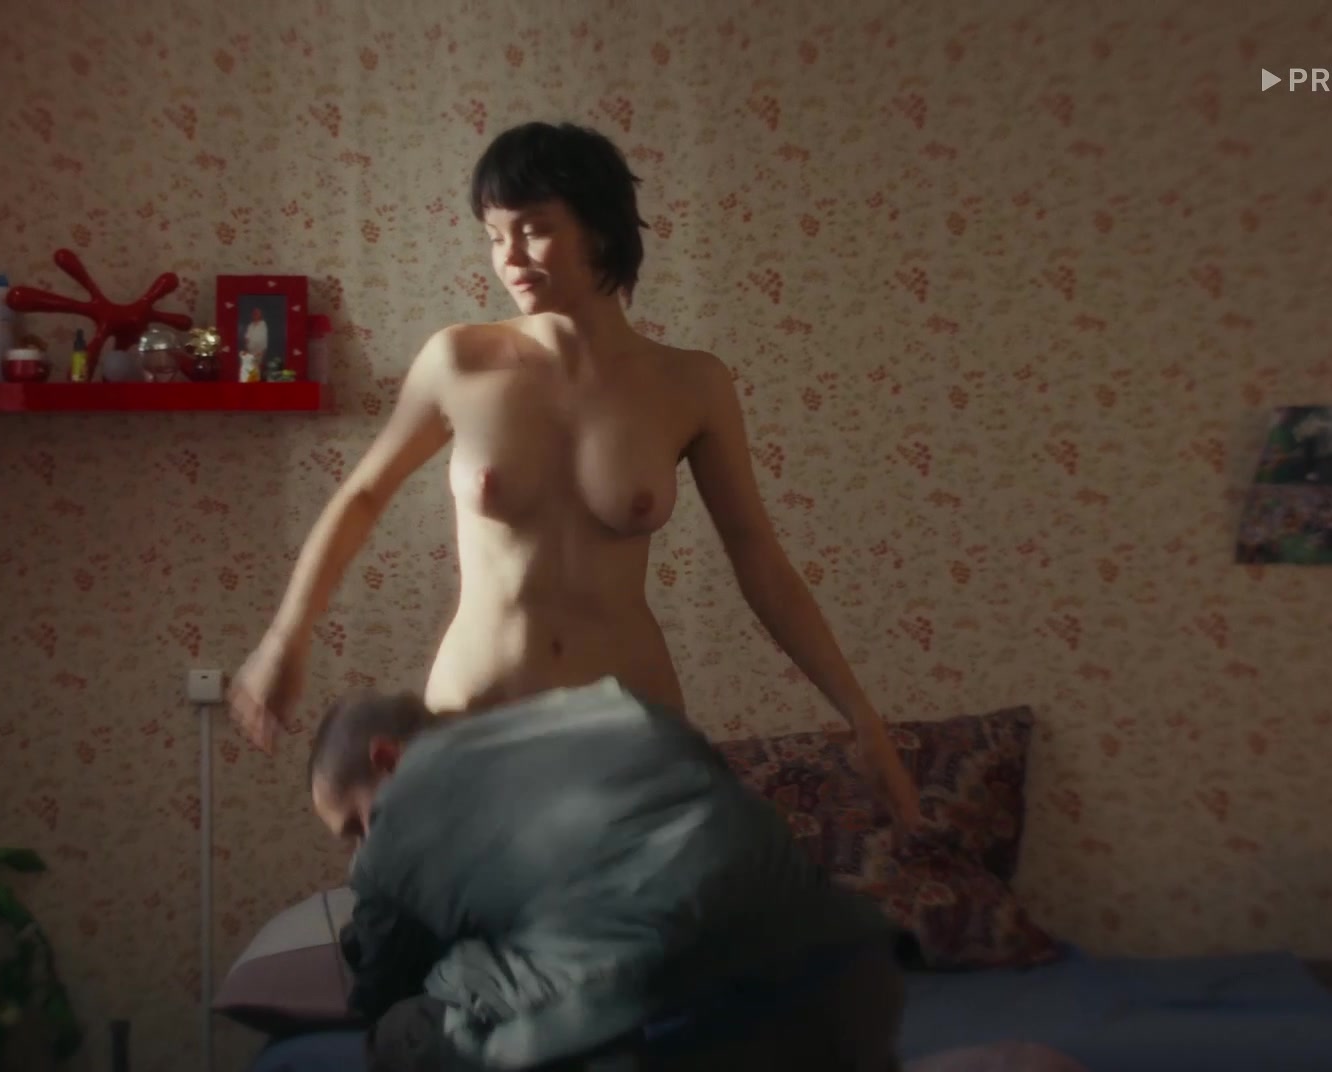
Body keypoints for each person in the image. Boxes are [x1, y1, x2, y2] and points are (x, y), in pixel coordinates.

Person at [229, 119, 920, 828]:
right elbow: (362, 496)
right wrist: (285, 637)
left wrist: (860, 715)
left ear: (601, 229)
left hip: (629, 728)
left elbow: (760, 562)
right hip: (478, 718)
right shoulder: (458, 362)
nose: (508, 257)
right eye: (494, 235)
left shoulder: (692, 385)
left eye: (533, 229)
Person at [309, 682, 906, 1071]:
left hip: (674, 1027)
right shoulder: (613, 705)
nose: (363, 845)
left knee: (404, 1027)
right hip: (851, 979)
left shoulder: (396, 825)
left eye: (355, 824)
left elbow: (380, 990)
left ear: (386, 759)